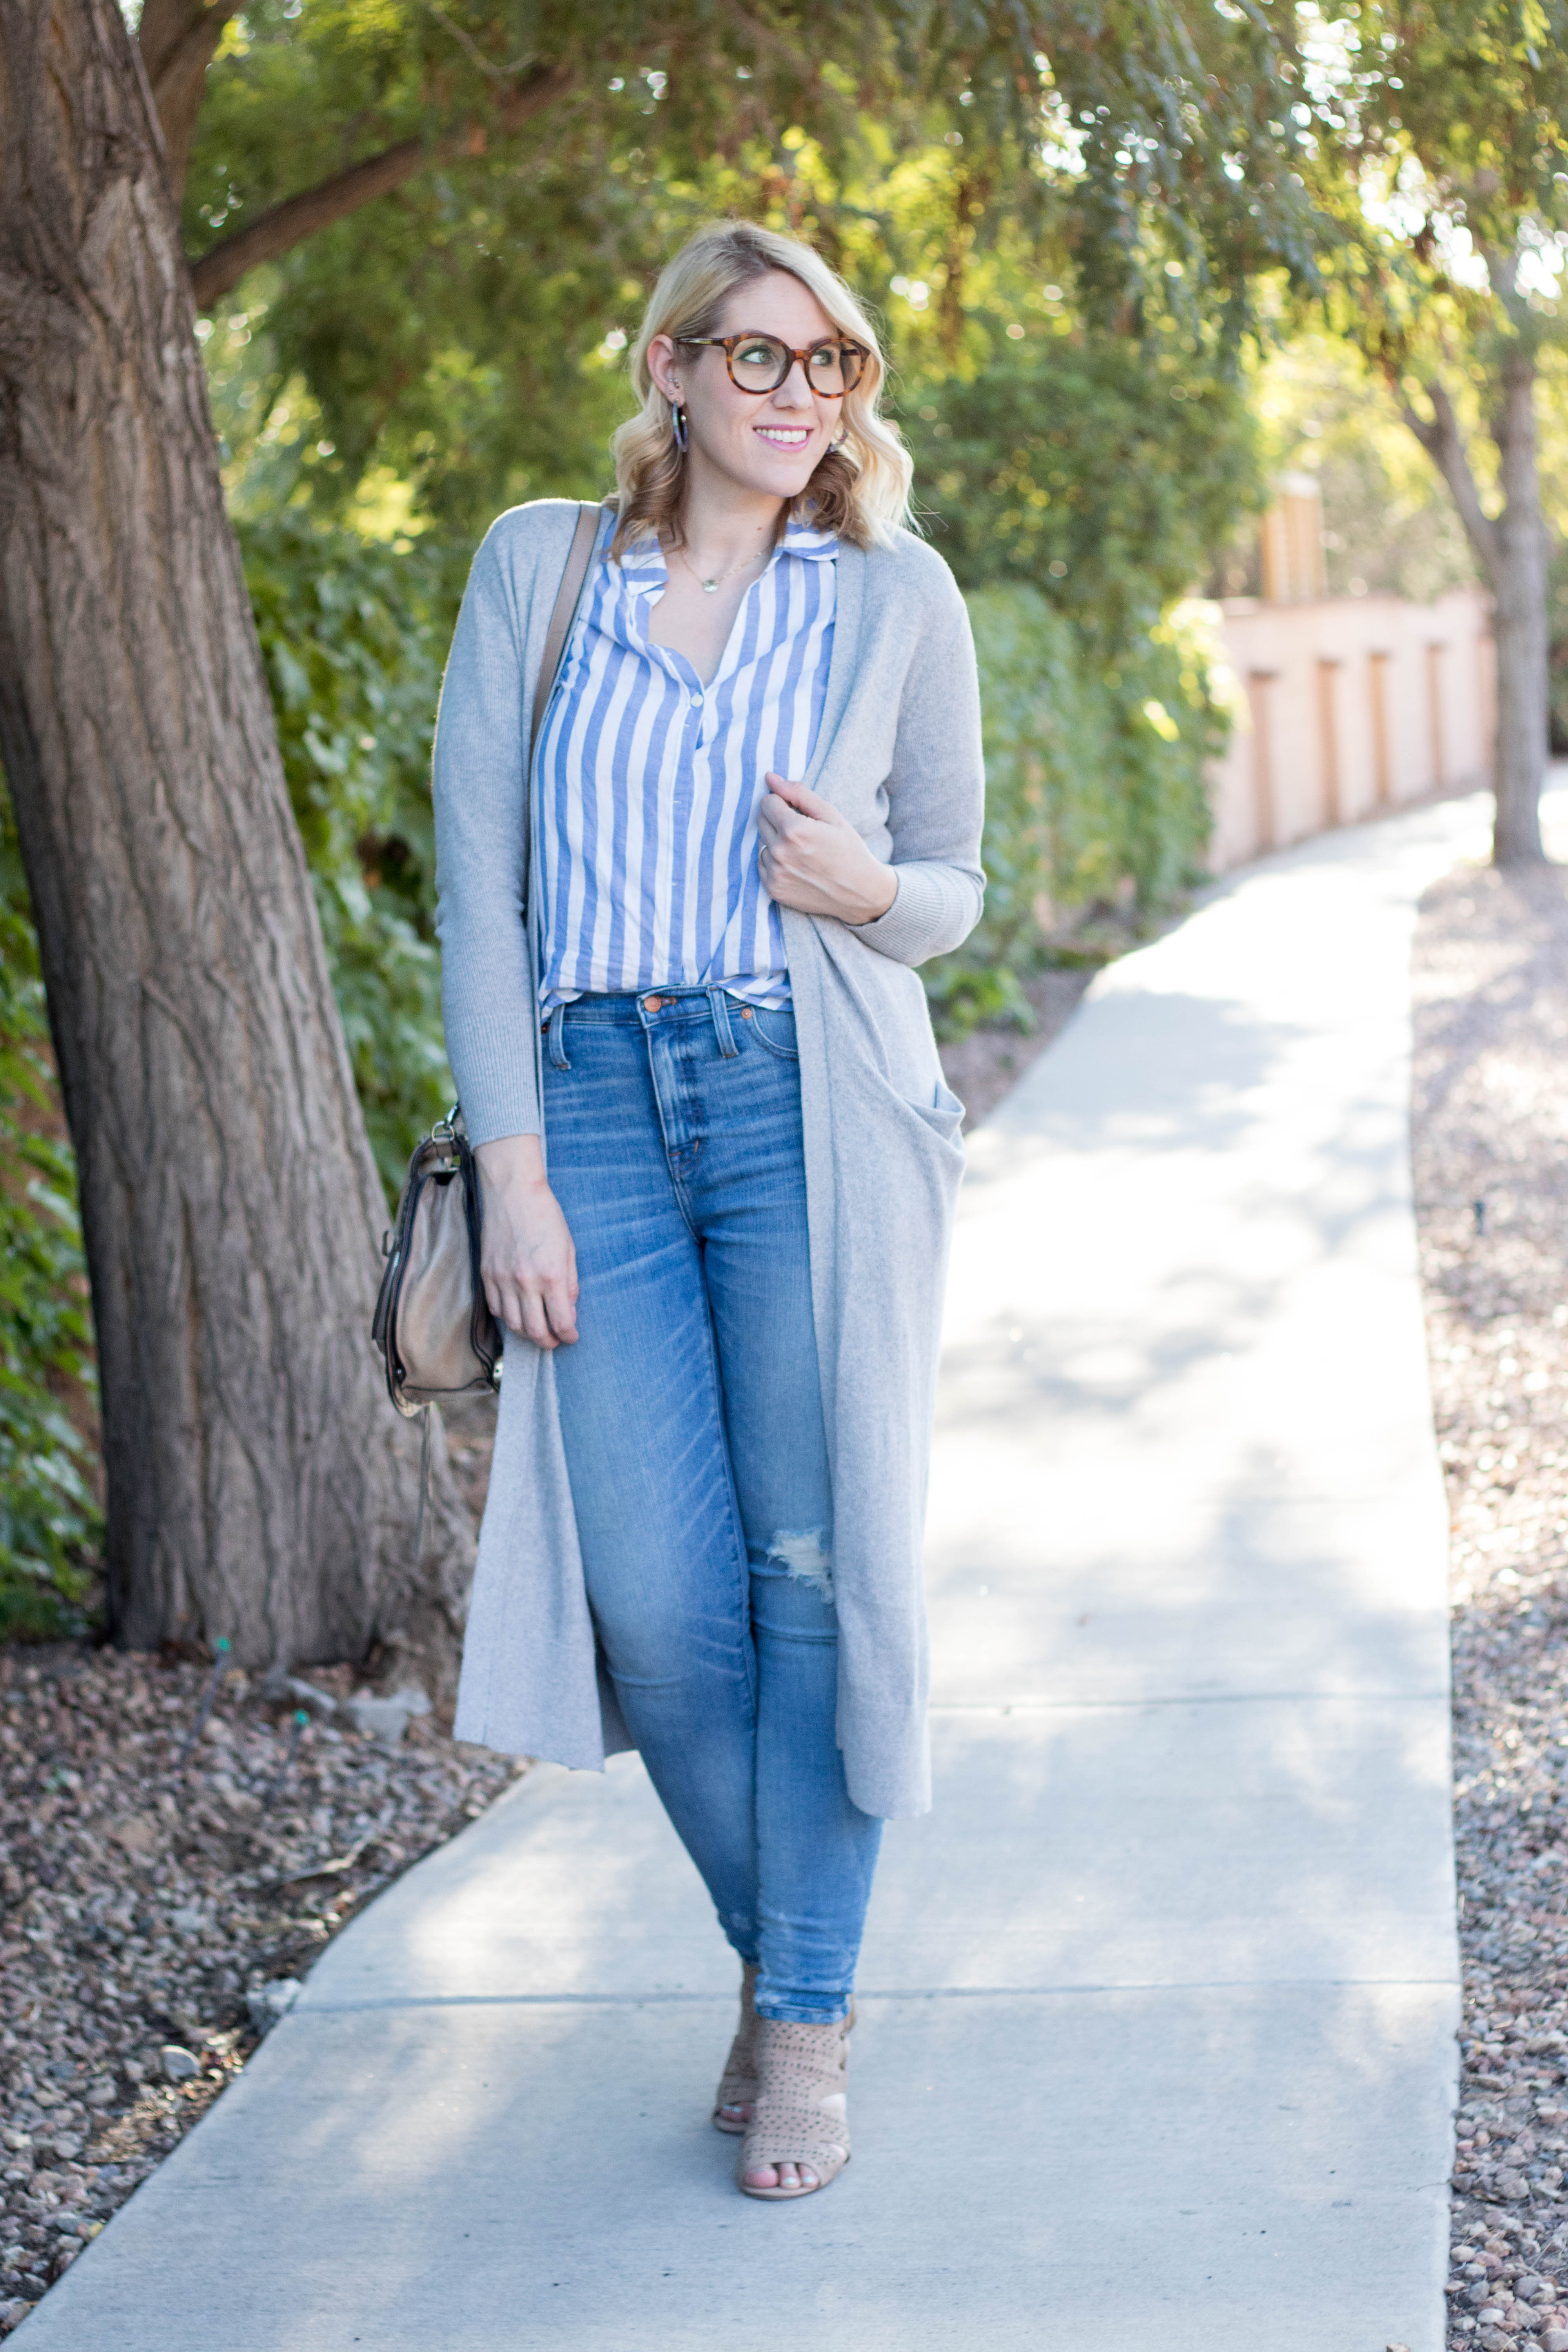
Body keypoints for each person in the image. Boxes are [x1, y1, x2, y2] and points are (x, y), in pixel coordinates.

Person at [432, 218, 984, 2200]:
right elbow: (478, 890)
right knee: (658, 1607)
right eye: (759, 358)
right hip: (587, 1110)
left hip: (801, 1107)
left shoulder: (892, 596)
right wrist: (514, 1169)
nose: (796, 398)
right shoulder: (539, 564)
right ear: (669, 366)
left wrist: (864, 895)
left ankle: (804, 2023)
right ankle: (793, 1963)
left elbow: (952, 887)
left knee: (811, 1577)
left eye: (829, 365)